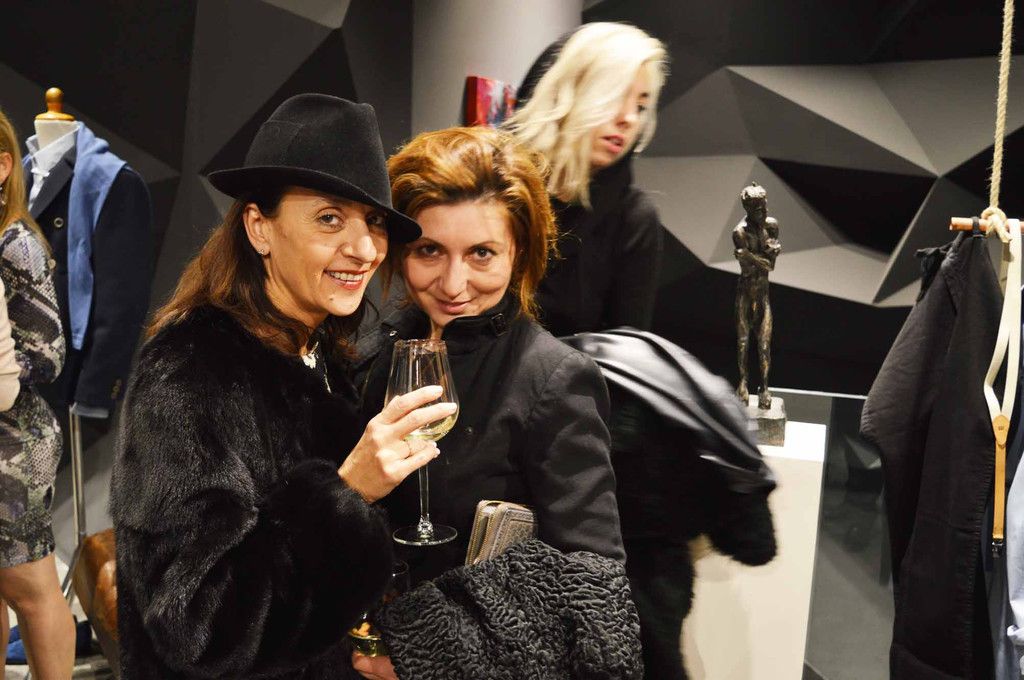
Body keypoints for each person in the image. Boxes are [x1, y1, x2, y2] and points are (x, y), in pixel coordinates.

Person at [108, 94, 458, 679]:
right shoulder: (190, 371)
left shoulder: (321, 351)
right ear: (258, 228)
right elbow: (198, 625)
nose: (365, 249)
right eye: (330, 218)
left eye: (373, 222)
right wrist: (346, 493)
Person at [357, 126, 624, 583]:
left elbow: (593, 577)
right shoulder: (369, 356)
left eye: (481, 253)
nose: (453, 284)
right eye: (429, 251)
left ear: (517, 253)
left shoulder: (555, 379)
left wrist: (437, 628)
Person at [506, 22, 669, 336]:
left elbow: (625, 353)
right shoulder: (494, 190)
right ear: (567, 92)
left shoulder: (633, 219)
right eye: (616, 96)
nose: (629, 119)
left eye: (640, 106)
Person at [0, 109, 74, 678]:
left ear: (3, 166)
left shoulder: (16, 242)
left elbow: (49, 354)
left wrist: (5, 368)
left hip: (16, 441)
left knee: (31, 587)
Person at [732, 182, 781, 409]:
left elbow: (769, 266)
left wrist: (748, 255)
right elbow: (753, 268)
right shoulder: (740, 232)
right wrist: (757, 258)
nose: (764, 211)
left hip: (762, 296)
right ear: (748, 209)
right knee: (743, 342)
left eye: (764, 206)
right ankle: (743, 383)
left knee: (764, 345)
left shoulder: (771, 226)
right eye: (758, 208)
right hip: (745, 293)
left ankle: (764, 387)